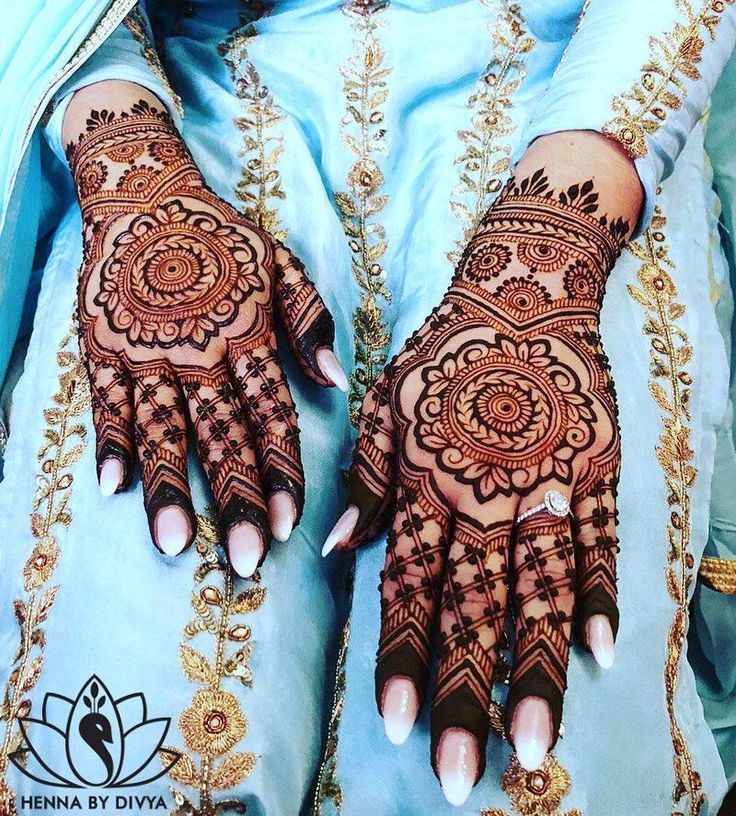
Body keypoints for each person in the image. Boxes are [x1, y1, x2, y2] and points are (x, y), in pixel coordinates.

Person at [0, 1, 734, 814]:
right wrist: (128, 161)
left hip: (578, 110)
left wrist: (547, 251)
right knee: (138, 714)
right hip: (187, 82)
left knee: (523, 751)